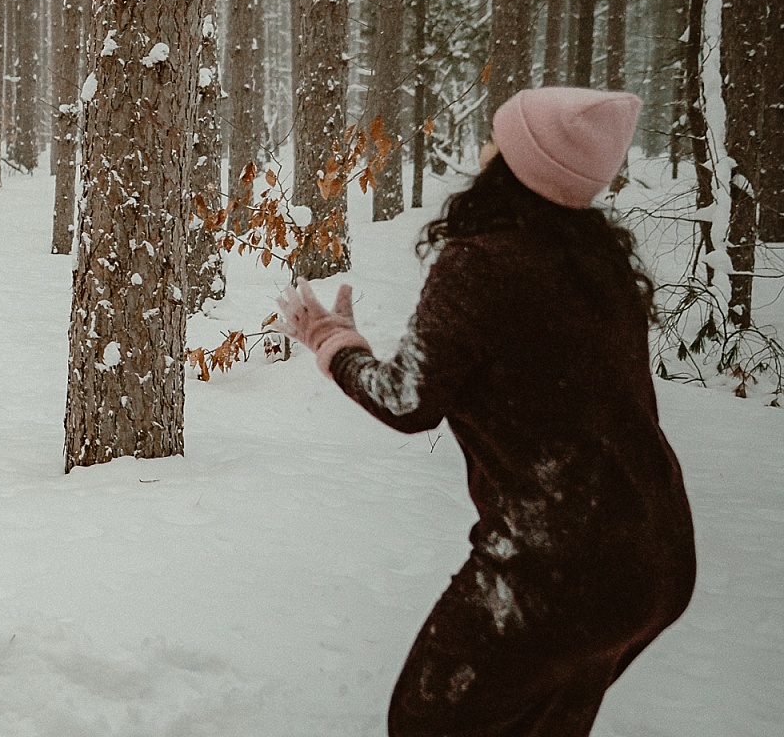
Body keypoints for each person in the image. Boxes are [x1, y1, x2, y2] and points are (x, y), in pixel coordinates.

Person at [275, 87, 695, 737]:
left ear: (520, 165)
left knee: (426, 722)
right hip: (657, 559)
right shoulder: (600, 266)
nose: (485, 147)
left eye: (500, 138)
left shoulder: (480, 264)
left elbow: (407, 401)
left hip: (558, 569)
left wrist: (333, 344)